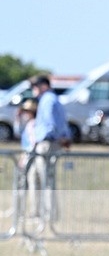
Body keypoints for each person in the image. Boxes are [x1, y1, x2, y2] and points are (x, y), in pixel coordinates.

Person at [30, 75, 71, 223]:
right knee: (36, 178)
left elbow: (51, 122)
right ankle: (37, 214)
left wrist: (60, 137)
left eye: (35, 86)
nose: (33, 89)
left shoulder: (48, 99)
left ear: (44, 86)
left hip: (48, 143)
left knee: (47, 180)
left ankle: (49, 216)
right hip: (45, 143)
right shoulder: (50, 99)